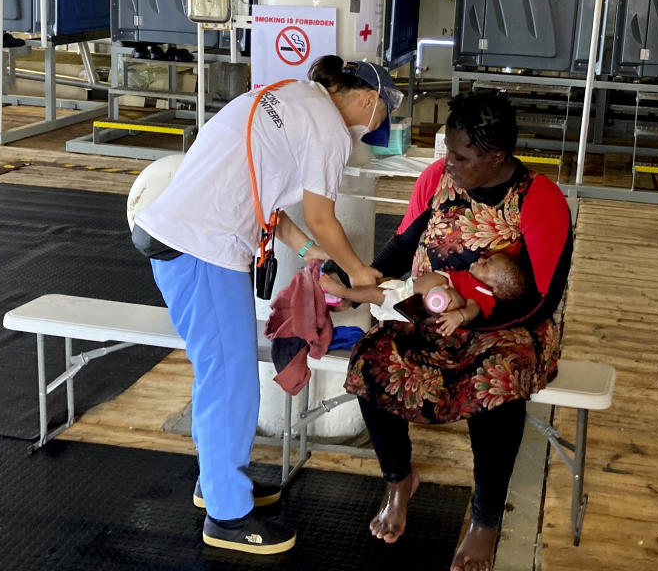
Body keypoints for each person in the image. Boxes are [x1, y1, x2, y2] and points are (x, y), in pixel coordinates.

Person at [132, 55, 401, 554]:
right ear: (368, 100)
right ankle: (227, 518)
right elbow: (323, 216)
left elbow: (266, 203)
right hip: (202, 248)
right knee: (230, 377)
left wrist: (305, 251)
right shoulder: (330, 131)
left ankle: (219, 482)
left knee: (221, 372)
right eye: (386, 112)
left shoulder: (292, 98)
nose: (383, 124)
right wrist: (358, 271)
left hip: (184, 236)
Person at [343, 92, 573, 571]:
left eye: (461, 156)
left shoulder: (539, 199)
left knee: (497, 381)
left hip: (510, 327)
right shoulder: (435, 180)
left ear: (496, 158)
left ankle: (486, 517)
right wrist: (365, 277)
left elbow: (541, 298)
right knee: (371, 360)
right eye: (448, 149)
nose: (449, 162)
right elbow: (404, 246)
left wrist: (466, 319)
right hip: (430, 313)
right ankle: (399, 478)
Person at [319, 252, 526, 336]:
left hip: (414, 304)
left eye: (487, 265)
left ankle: (343, 292)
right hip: (409, 291)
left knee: (377, 294)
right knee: (381, 285)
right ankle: (343, 294)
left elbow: (472, 309)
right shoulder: (475, 283)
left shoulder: (483, 294)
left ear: (494, 288)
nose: (481, 260)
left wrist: (459, 315)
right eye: (486, 259)